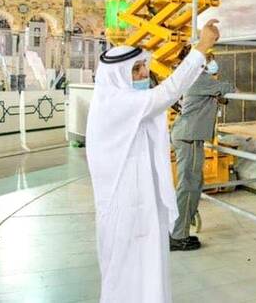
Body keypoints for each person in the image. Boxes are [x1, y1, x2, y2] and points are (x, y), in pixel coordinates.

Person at [85, 20, 220, 303]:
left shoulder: (131, 102)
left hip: (144, 202)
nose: (144, 73)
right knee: (125, 274)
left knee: (150, 272)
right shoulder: (115, 102)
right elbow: (167, 93)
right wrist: (201, 48)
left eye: (143, 67)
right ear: (118, 75)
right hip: (124, 207)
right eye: (136, 69)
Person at [169, 51, 234, 251]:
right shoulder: (199, 79)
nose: (212, 64)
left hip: (188, 135)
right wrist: (220, 90)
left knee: (193, 183)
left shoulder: (192, 78)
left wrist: (218, 95)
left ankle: (180, 228)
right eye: (209, 60)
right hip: (189, 137)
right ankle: (178, 236)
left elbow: (218, 97)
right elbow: (229, 89)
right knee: (189, 185)